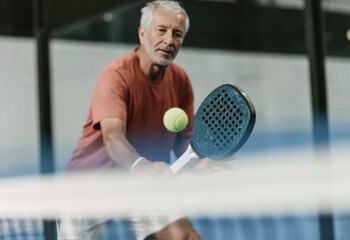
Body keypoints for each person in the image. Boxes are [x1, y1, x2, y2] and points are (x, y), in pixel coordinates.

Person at [58, 1, 228, 239]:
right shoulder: (116, 75)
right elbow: (112, 137)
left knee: (185, 236)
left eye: (177, 34)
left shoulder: (180, 80)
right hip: (89, 185)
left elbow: (184, 145)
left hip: (142, 186)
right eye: (161, 30)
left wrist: (202, 165)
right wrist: (142, 166)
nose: (169, 40)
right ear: (142, 33)